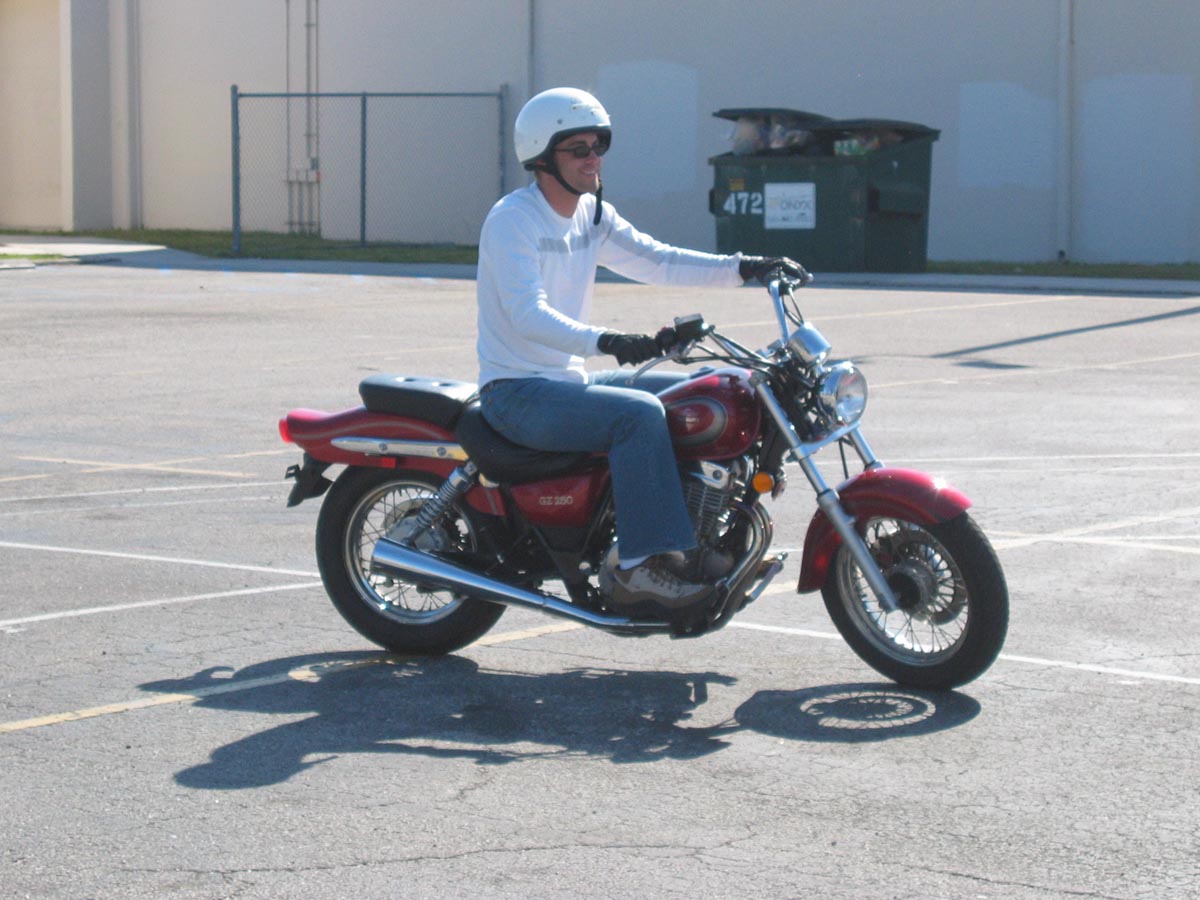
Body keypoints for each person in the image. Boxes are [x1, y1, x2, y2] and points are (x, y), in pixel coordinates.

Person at [475, 86, 805, 615]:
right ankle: (642, 565)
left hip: (567, 382)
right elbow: (526, 314)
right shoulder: (514, 220)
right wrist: (609, 341)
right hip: (516, 392)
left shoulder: (592, 214)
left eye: (598, 145)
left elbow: (660, 260)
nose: (593, 158)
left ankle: (703, 541)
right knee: (639, 416)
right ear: (542, 157)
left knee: (707, 392)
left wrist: (747, 267)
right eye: (578, 149)